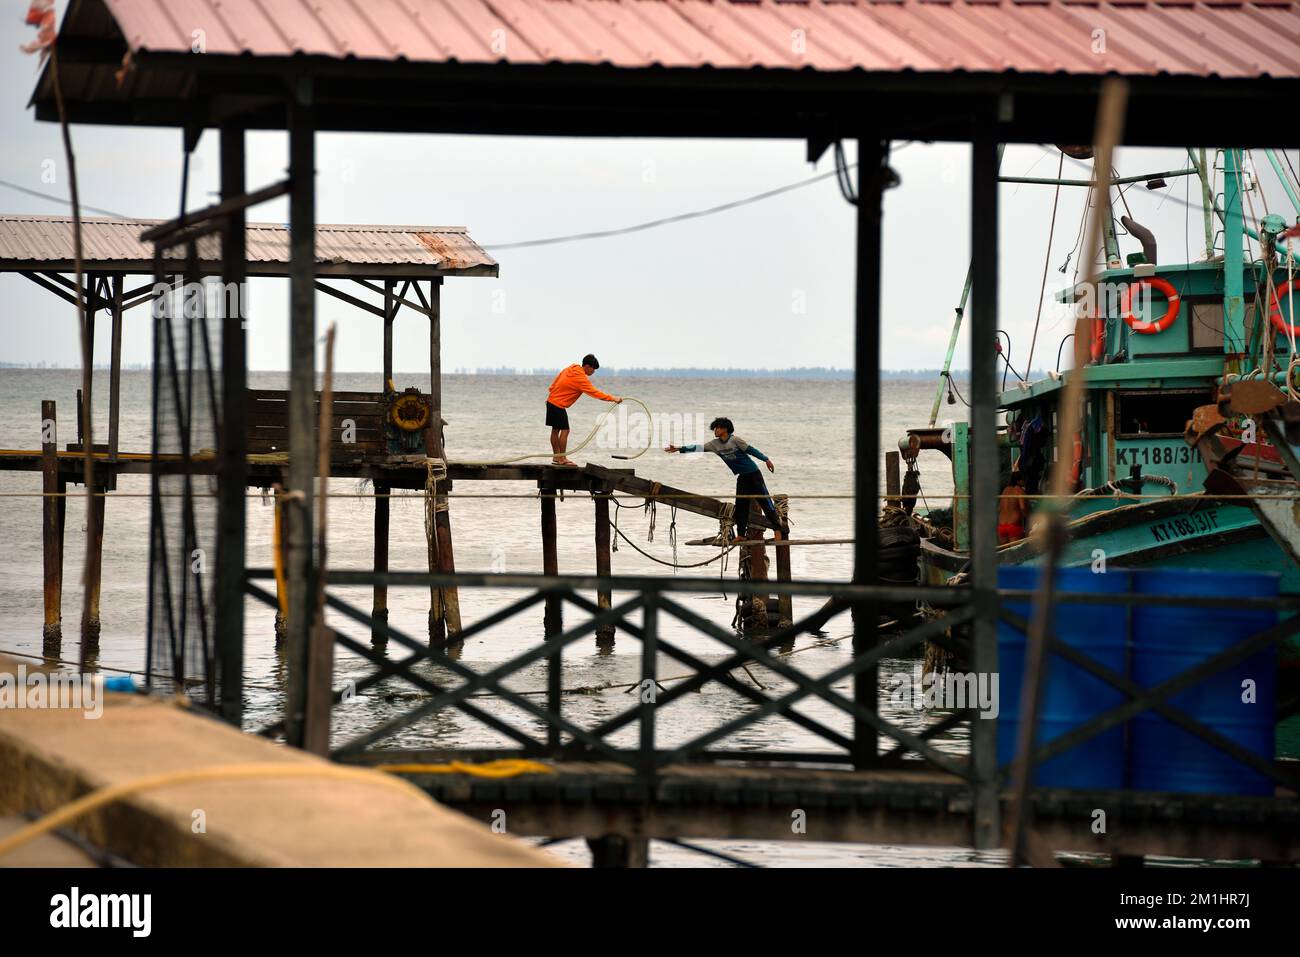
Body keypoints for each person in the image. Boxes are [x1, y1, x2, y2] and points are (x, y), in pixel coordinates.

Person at [665, 417, 788, 543]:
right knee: (741, 505)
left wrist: (766, 460)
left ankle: (778, 530)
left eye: (717, 428)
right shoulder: (714, 444)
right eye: (714, 429)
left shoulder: (735, 440)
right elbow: (698, 448)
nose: (715, 431)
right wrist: (679, 448)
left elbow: (751, 450)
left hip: (754, 475)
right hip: (742, 477)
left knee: (765, 502)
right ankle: (741, 534)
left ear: (725, 429)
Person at [545, 353, 622, 465]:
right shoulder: (581, 379)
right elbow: (595, 393)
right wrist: (613, 398)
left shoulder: (571, 368)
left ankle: (556, 457)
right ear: (587, 366)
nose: (593, 372)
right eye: (593, 369)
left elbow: (557, 379)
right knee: (565, 430)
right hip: (558, 405)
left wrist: (552, 391)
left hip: (551, 401)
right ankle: (562, 459)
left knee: (555, 430)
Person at [998, 469, 1030, 545]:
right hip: (1014, 526)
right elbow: (1023, 507)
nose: (1025, 482)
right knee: (1015, 554)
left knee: (1004, 555)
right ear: (1018, 481)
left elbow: (999, 508)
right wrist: (1029, 517)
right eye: (1023, 480)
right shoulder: (1019, 490)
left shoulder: (1005, 490)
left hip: (1001, 526)